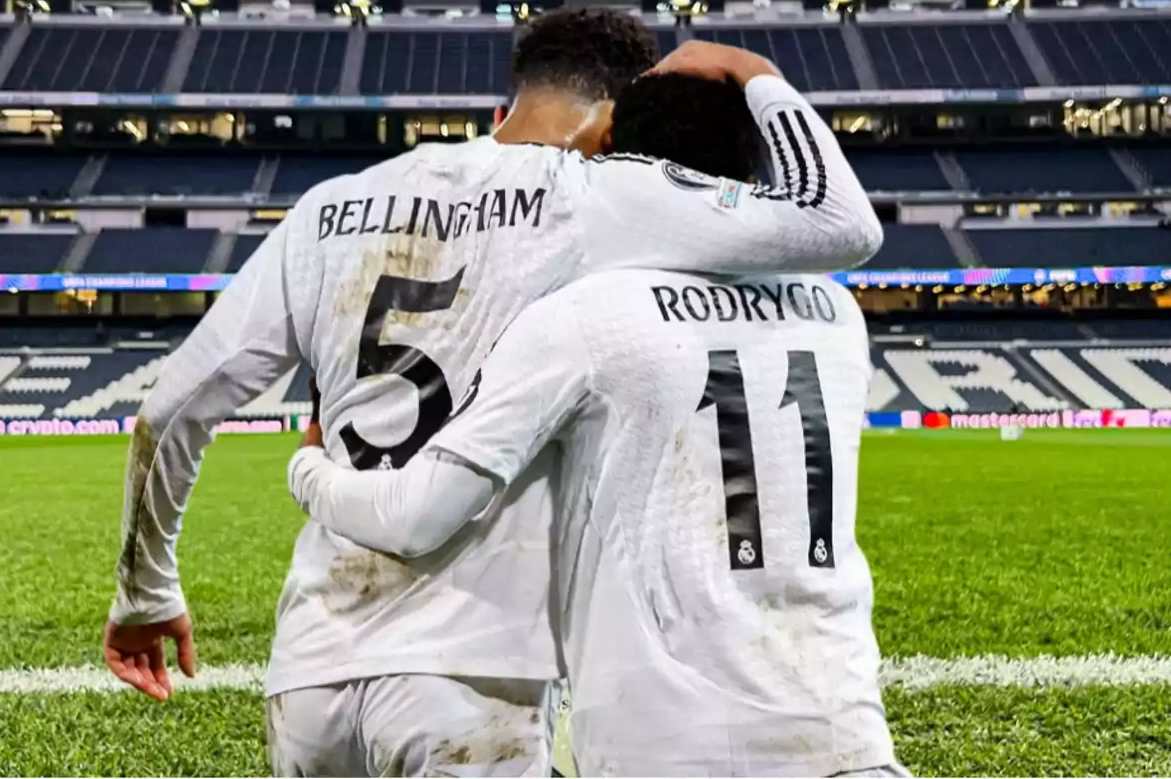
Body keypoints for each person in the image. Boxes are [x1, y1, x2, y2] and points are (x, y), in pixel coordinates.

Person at [102, 16, 881, 776]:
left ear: (503, 108)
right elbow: (835, 225)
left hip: (311, 666)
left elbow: (172, 408)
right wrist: (755, 73)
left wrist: (146, 592)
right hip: (475, 674)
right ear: (615, 124)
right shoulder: (601, 193)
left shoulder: (327, 208)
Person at [286, 71, 901, 776]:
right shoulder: (836, 316)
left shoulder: (586, 316)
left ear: (616, 162)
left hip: (663, 749)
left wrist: (310, 470)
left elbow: (417, 517)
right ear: (753, 164)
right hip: (843, 738)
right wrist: (758, 76)